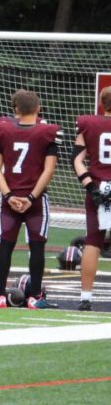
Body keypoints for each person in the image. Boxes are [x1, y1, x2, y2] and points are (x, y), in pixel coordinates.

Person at [0, 90, 59, 309]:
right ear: (38, 108)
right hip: (35, 200)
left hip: (10, 198)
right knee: (37, 247)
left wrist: (9, 195)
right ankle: (35, 297)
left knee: (5, 246)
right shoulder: (47, 131)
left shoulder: (2, 130)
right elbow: (49, 171)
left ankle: (0, 295)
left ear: (15, 109)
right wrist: (30, 197)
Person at [72, 86, 111, 311]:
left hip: (98, 188)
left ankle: (86, 297)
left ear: (101, 104)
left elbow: (76, 159)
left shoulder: (88, 124)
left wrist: (91, 187)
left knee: (93, 243)